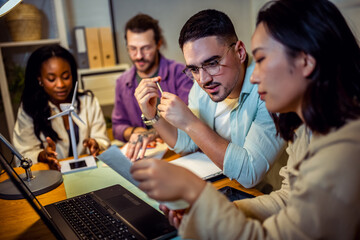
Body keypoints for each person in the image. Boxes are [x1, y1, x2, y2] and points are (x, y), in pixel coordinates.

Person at [130, 0, 360, 238]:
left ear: (306, 61)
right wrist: (222, 209)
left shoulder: (344, 150)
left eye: (261, 60)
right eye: (194, 70)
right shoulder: (307, 128)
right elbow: (289, 198)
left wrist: (196, 192)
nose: (255, 76)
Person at [134, 9, 284, 188]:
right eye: (194, 69)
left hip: (265, 197)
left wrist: (190, 123)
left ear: (240, 52)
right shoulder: (203, 84)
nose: (203, 80)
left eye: (212, 63)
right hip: (222, 187)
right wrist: (153, 116)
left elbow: (250, 173)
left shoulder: (269, 89)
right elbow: (187, 143)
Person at [13, 45, 110, 170]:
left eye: (66, 77)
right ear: (40, 79)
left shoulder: (88, 101)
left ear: (73, 74)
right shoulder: (29, 108)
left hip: (89, 171)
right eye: (51, 79)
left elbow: (103, 140)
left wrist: (96, 143)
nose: (60, 85)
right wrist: (42, 155)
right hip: (51, 176)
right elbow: (23, 155)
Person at [112, 13, 193, 148]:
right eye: (132, 49)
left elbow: (190, 119)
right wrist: (137, 132)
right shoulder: (122, 82)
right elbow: (117, 127)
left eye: (145, 48)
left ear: (158, 44)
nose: (138, 56)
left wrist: (155, 132)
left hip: (178, 150)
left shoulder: (181, 73)